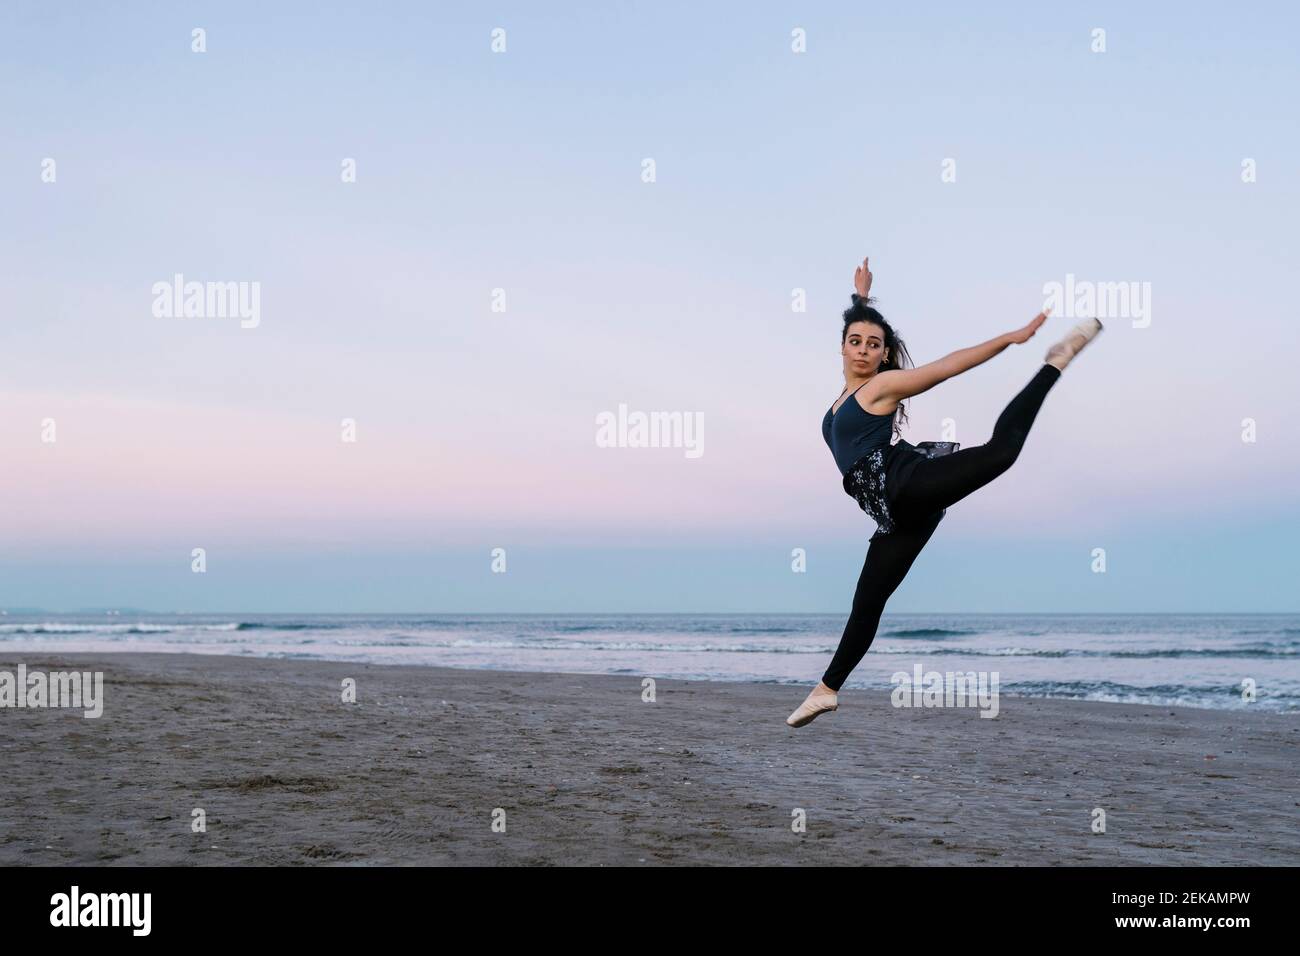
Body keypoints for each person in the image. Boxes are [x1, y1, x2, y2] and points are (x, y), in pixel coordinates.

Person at [786, 257, 1103, 727]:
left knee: (1001, 452)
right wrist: (861, 299)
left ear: (884, 356)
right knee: (867, 602)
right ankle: (826, 689)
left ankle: (1053, 363)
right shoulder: (838, 402)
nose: (863, 350)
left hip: (905, 483)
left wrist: (1009, 339)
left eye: (874, 345)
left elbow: (947, 366)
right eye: (855, 341)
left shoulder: (882, 388)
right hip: (895, 514)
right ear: (842, 347)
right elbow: (859, 324)